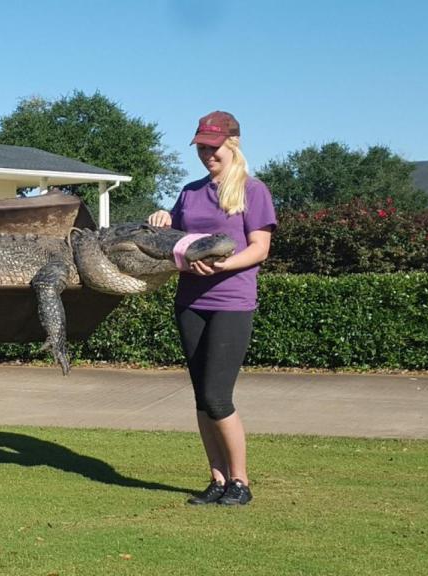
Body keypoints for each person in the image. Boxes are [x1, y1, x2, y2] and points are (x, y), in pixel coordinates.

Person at [147, 111, 277, 506]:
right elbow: (174, 237)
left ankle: (241, 482)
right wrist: (164, 218)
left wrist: (222, 265)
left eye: (213, 147)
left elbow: (260, 248)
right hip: (190, 302)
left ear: (232, 144)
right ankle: (217, 479)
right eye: (201, 147)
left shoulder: (253, 191)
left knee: (218, 396)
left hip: (231, 303)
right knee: (202, 398)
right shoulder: (189, 192)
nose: (207, 155)